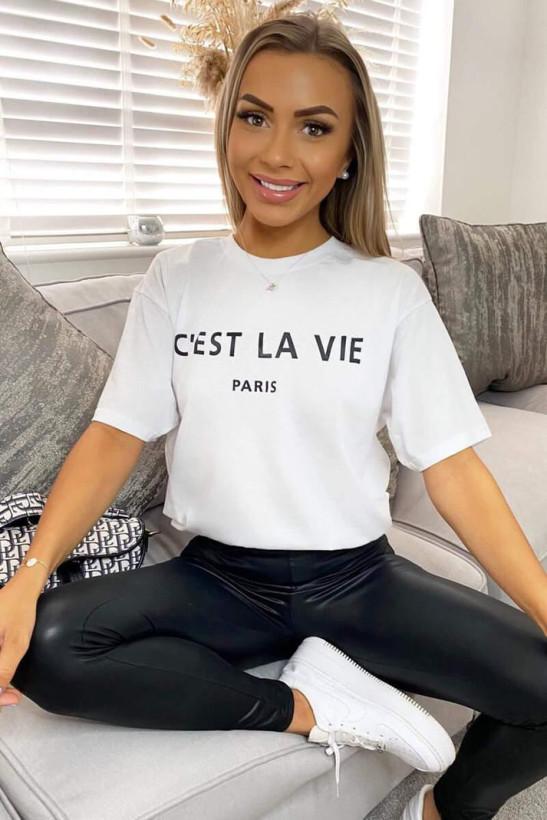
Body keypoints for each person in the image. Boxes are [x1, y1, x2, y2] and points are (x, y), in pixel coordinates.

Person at [2, 12, 547, 820]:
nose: (278, 153)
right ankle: (314, 707)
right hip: (216, 579)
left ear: (349, 152)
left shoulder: (387, 292)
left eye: (314, 127)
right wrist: (29, 575)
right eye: (255, 117)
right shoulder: (179, 277)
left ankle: (442, 811)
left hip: (356, 580)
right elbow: (115, 434)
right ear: (228, 128)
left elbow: (452, 467)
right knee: (47, 646)